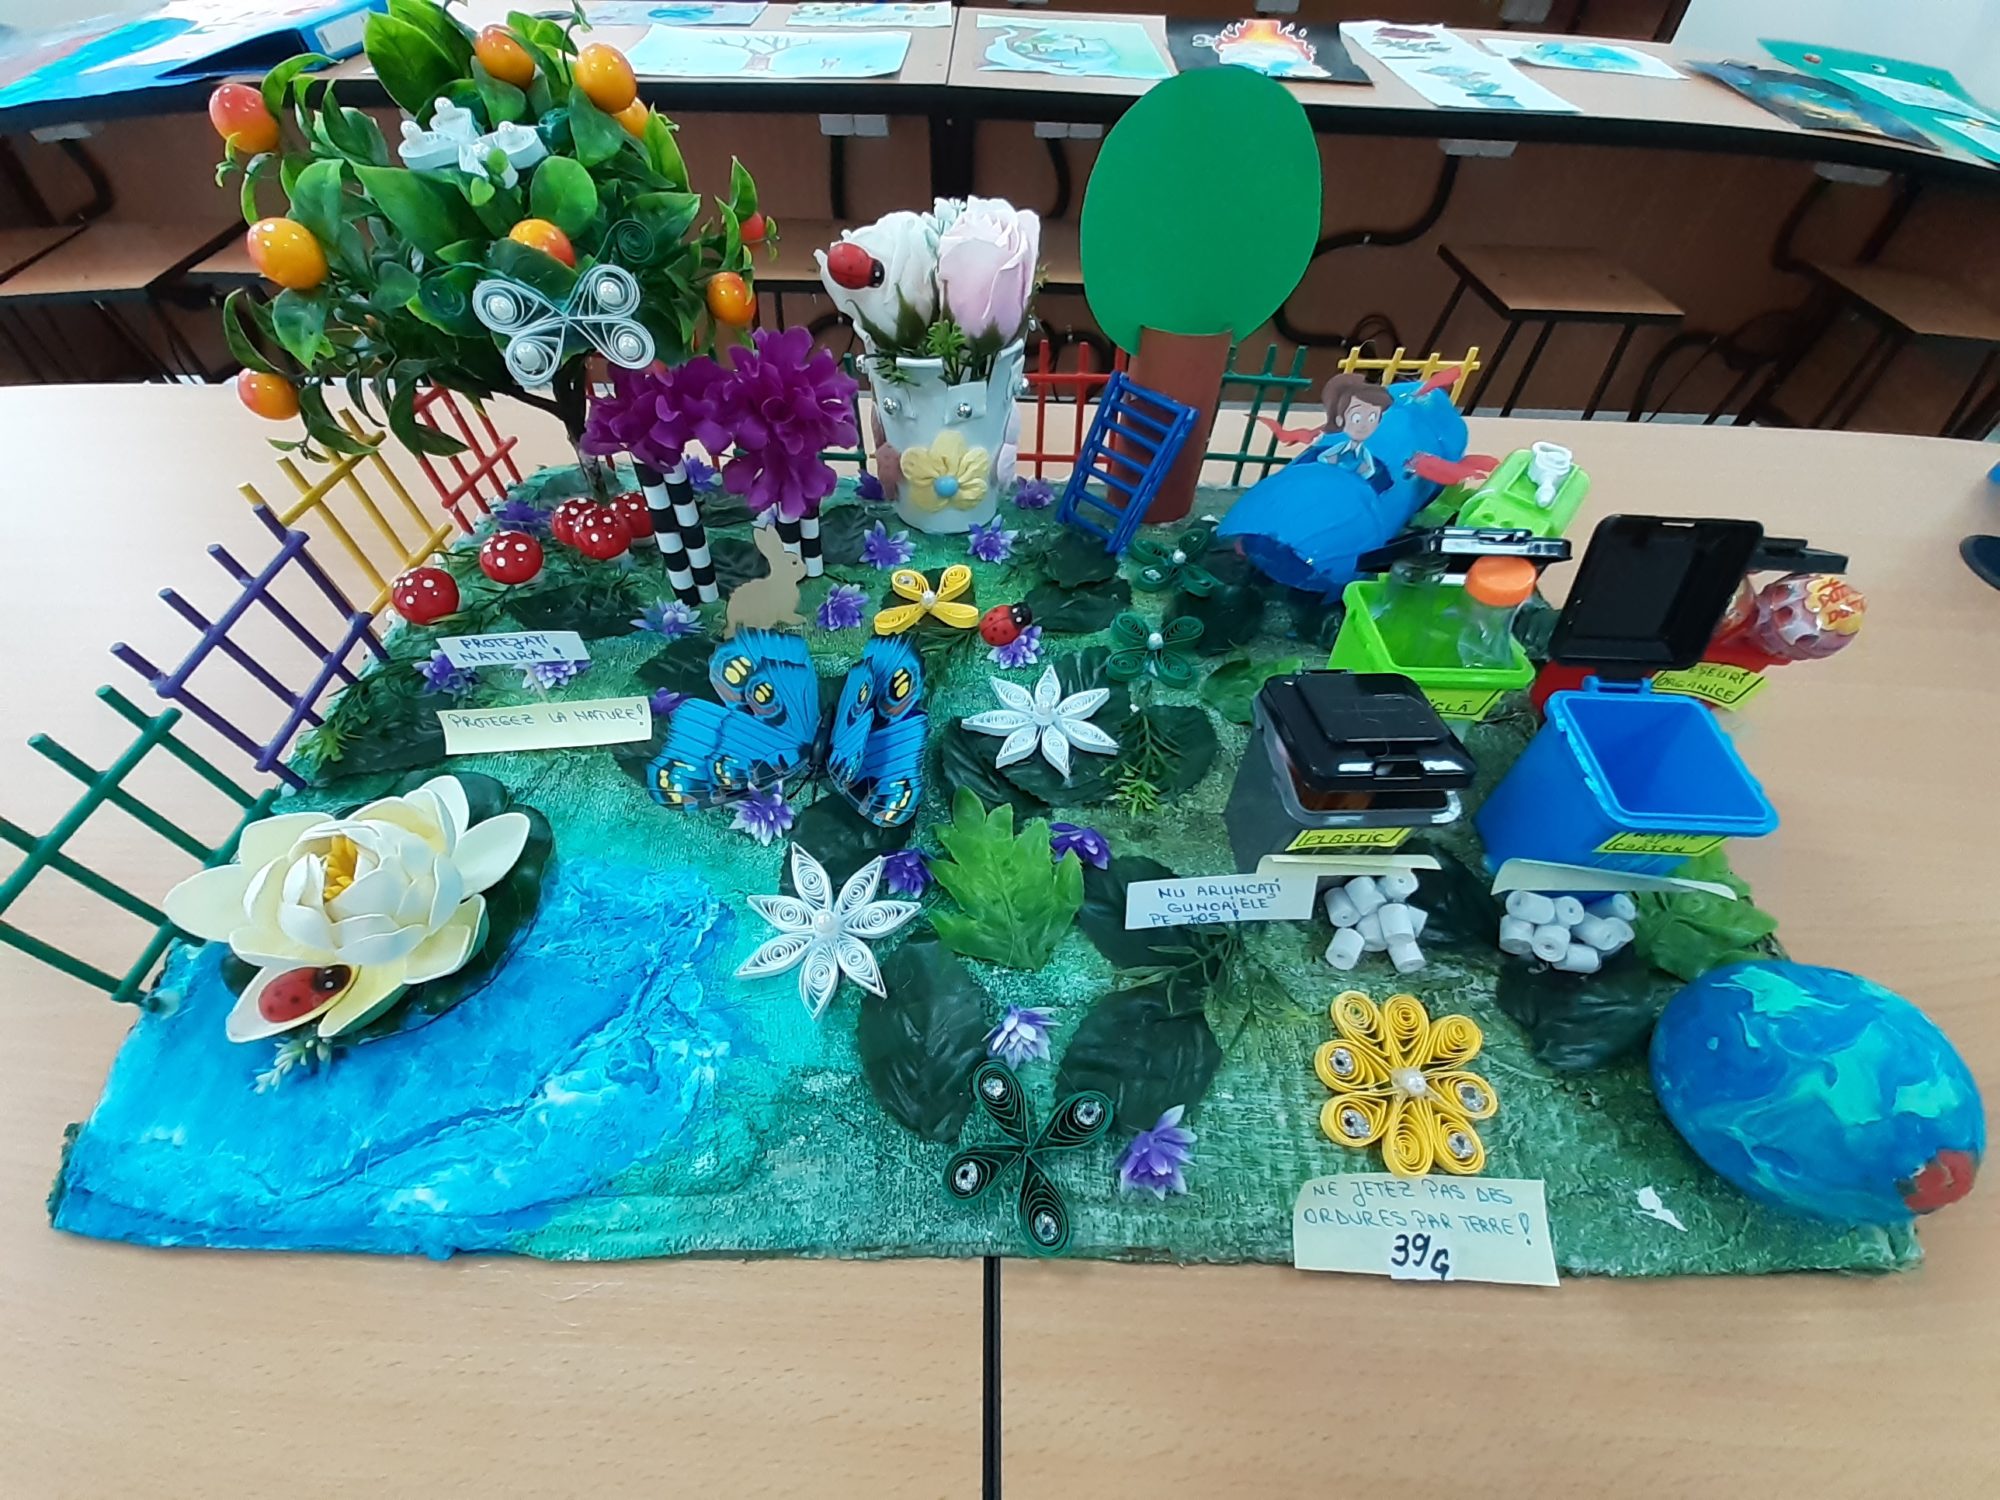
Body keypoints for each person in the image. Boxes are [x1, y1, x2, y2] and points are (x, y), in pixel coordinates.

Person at [1315, 374, 1395, 493]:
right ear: (1340, 419)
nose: (1363, 425)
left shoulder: (1378, 469)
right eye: (1356, 418)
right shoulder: (1320, 454)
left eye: (1372, 419)